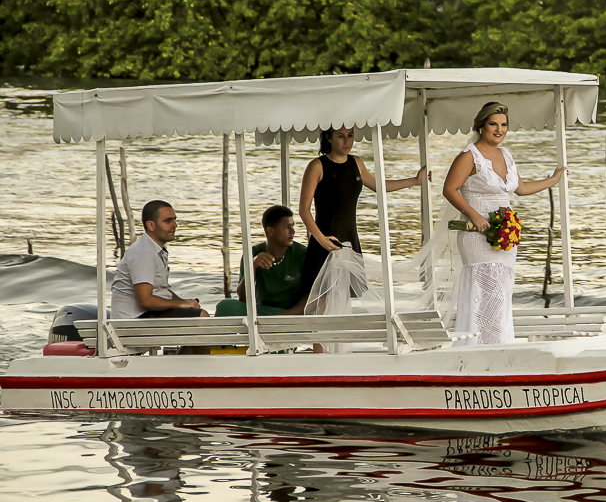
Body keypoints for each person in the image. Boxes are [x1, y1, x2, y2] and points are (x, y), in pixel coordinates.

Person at [442, 102, 566, 345]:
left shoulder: (506, 155)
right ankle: (475, 346)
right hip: (476, 235)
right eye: (493, 124)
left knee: (502, 291)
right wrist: (474, 215)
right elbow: (449, 189)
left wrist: (553, 180)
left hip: (504, 235)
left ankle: (498, 344)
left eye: (504, 125)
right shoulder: (469, 156)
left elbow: (521, 188)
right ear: (481, 126)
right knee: (485, 290)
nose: (499, 130)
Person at [298, 125, 427, 298]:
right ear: (329, 138)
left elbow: (379, 186)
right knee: (323, 301)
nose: (347, 141)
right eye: (341, 136)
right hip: (325, 240)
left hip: (350, 239)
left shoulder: (356, 163)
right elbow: (303, 209)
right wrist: (321, 239)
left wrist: (415, 180)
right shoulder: (317, 166)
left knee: (345, 298)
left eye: (350, 135)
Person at [110, 200, 209, 354]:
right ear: (151, 225)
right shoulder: (144, 252)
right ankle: (199, 368)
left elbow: (161, 290)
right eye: (168, 221)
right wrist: (181, 305)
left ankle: (181, 368)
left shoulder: (154, 250)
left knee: (198, 316)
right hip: (131, 321)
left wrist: (186, 303)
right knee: (201, 319)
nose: (175, 225)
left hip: (141, 317)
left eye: (174, 219)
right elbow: (145, 300)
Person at [215, 205, 308, 317]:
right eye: (287, 227)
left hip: (295, 314)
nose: (293, 231)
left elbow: (313, 299)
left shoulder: (303, 254)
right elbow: (243, 298)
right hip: (263, 312)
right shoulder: (252, 254)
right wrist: (252, 267)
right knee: (225, 306)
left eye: (292, 226)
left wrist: (280, 318)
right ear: (270, 231)